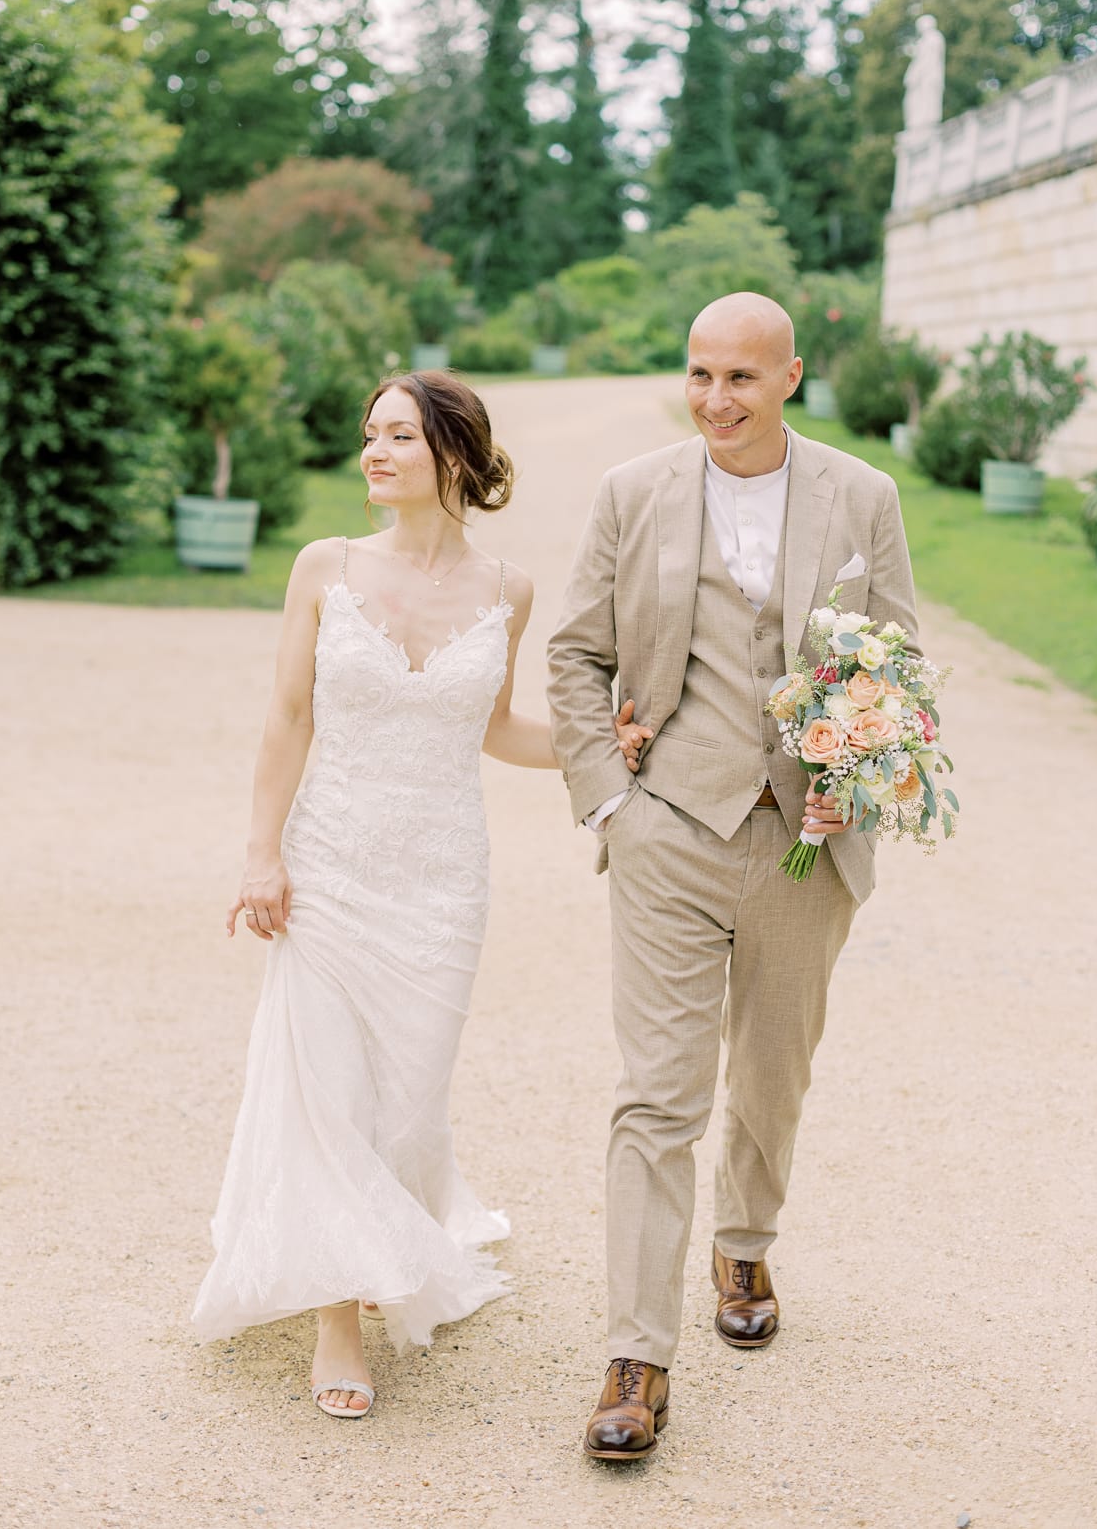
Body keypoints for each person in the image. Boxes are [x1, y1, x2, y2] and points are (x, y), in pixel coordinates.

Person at [193, 370, 644, 1419]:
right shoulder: (325, 567)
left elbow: (496, 729)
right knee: (326, 1090)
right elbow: (287, 717)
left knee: (404, 1100)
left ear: (453, 452)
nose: (373, 453)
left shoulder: (508, 591)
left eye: (398, 435)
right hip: (331, 866)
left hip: (442, 884)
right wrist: (262, 854)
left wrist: (598, 747)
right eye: (369, 435)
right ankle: (338, 1319)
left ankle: (385, 1239)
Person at [547, 292, 920, 1461]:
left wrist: (852, 783)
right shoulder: (634, 492)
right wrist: (613, 798)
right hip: (667, 827)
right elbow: (576, 656)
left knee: (772, 1071)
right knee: (656, 1095)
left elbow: (901, 667)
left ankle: (745, 1236)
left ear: (791, 378)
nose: (717, 399)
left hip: (803, 842)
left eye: (742, 379)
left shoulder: (864, 498)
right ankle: (635, 1356)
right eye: (702, 375)